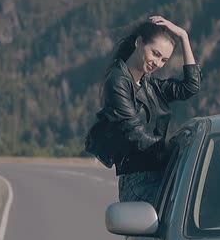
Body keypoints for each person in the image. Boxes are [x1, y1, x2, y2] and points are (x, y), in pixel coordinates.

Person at [85, 15, 201, 205]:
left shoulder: (150, 84)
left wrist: (184, 36)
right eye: (155, 53)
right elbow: (135, 134)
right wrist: (178, 150)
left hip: (160, 174)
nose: (158, 63)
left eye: (164, 60)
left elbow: (190, 87)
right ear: (139, 42)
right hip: (138, 182)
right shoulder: (117, 82)